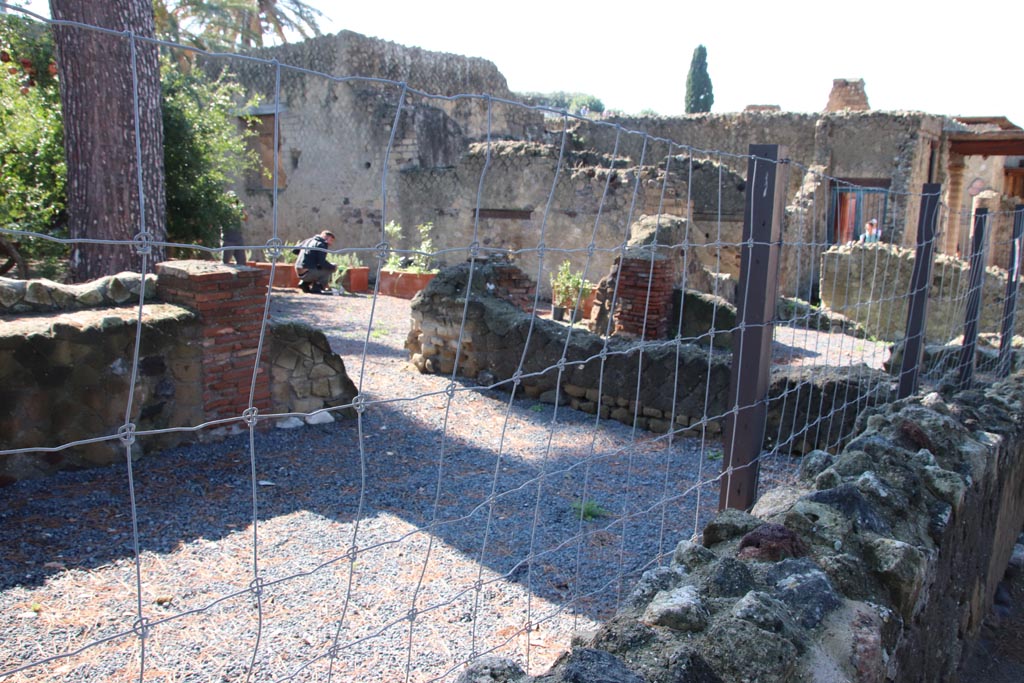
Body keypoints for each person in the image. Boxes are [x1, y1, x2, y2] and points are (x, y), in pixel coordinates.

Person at [293, 230, 337, 294]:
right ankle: (317, 288)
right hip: (307, 272)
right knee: (330, 268)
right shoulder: (322, 244)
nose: (331, 243)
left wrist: (305, 256)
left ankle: (304, 284)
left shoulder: (308, 240)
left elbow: (294, 250)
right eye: (331, 240)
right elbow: (322, 263)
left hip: (298, 270)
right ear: (326, 237)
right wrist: (333, 267)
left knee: (318, 267)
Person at [221, 194, 248, 265]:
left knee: (242, 262)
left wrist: (241, 209)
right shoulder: (224, 210)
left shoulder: (239, 210)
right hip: (228, 240)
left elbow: (245, 218)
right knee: (226, 262)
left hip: (238, 239)